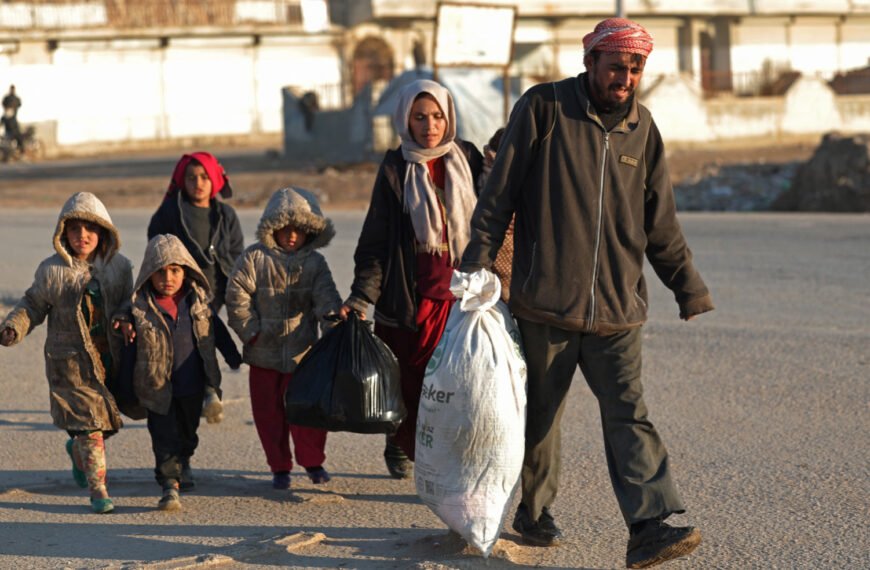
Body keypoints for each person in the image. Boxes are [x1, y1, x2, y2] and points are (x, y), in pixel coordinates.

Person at [460, 18, 714, 568]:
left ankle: (648, 526)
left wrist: (687, 287)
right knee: (540, 416)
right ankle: (533, 509)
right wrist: (474, 267)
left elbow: (660, 222)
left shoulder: (643, 129)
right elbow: (498, 197)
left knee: (629, 412)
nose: (626, 77)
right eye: (616, 65)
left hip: (619, 309)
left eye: (636, 67)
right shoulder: (544, 109)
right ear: (591, 62)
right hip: (545, 302)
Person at [339, 79, 484, 479]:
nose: (430, 125)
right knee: (411, 382)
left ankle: (444, 456)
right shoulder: (395, 168)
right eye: (420, 117)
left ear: (449, 117)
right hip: (409, 299)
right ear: (406, 119)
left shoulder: (468, 160)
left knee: (455, 383)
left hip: (461, 298)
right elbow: (376, 241)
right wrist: (360, 296)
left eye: (437, 116)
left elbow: (494, 218)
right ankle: (400, 441)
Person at [0, 192, 134, 514]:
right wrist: (14, 326)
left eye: (90, 228)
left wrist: (125, 318)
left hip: (107, 358)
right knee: (89, 425)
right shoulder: (52, 270)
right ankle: (98, 487)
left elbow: (129, 301)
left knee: (105, 423)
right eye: (74, 229)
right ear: (63, 233)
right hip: (70, 362)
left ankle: (77, 451)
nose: (82, 236)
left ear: (103, 230)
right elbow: (33, 304)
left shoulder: (119, 268)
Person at [226, 187, 342, 490]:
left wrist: (334, 329)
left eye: (299, 230)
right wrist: (251, 332)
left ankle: (313, 462)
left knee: (307, 414)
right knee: (269, 416)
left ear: (309, 232)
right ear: (271, 228)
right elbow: (236, 297)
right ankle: (279, 467)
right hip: (263, 354)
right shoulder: (254, 258)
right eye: (284, 229)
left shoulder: (315, 264)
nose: (291, 235)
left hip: (303, 356)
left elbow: (326, 300)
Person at [119, 234, 241, 511]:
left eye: (174, 270)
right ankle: (169, 485)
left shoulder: (198, 304)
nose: (168, 278)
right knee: (163, 436)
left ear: (186, 270)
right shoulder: (139, 311)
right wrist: (125, 388)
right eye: (160, 272)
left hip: (192, 385)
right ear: (148, 274)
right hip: (156, 388)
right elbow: (128, 353)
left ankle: (184, 460)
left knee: (188, 433)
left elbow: (216, 332)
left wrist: (232, 356)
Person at [147, 151, 244, 423]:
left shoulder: (226, 214)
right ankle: (205, 392)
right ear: (182, 181)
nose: (198, 183)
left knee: (206, 338)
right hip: (182, 290)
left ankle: (208, 390)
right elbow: (155, 243)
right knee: (194, 342)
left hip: (216, 289)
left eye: (204, 177)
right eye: (191, 178)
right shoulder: (170, 211)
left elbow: (236, 251)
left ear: (215, 179)